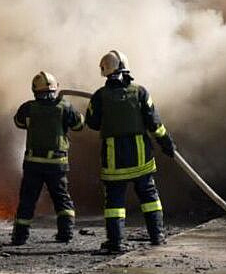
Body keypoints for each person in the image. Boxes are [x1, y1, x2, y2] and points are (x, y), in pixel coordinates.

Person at [85, 50, 176, 253]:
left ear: (105, 71)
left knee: (114, 202)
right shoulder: (140, 92)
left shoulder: (99, 96)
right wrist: (167, 144)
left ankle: (115, 242)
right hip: (140, 157)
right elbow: (155, 124)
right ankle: (157, 236)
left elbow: (92, 123)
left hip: (114, 160)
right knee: (149, 197)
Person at [11, 71, 85, 245]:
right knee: (61, 199)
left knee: (27, 200)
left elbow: (19, 122)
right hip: (56, 164)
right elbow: (79, 125)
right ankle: (65, 233)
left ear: (34, 90)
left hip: (33, 163)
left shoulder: (28, 108)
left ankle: (19, 237)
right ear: (54, 88)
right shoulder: (64, 107)